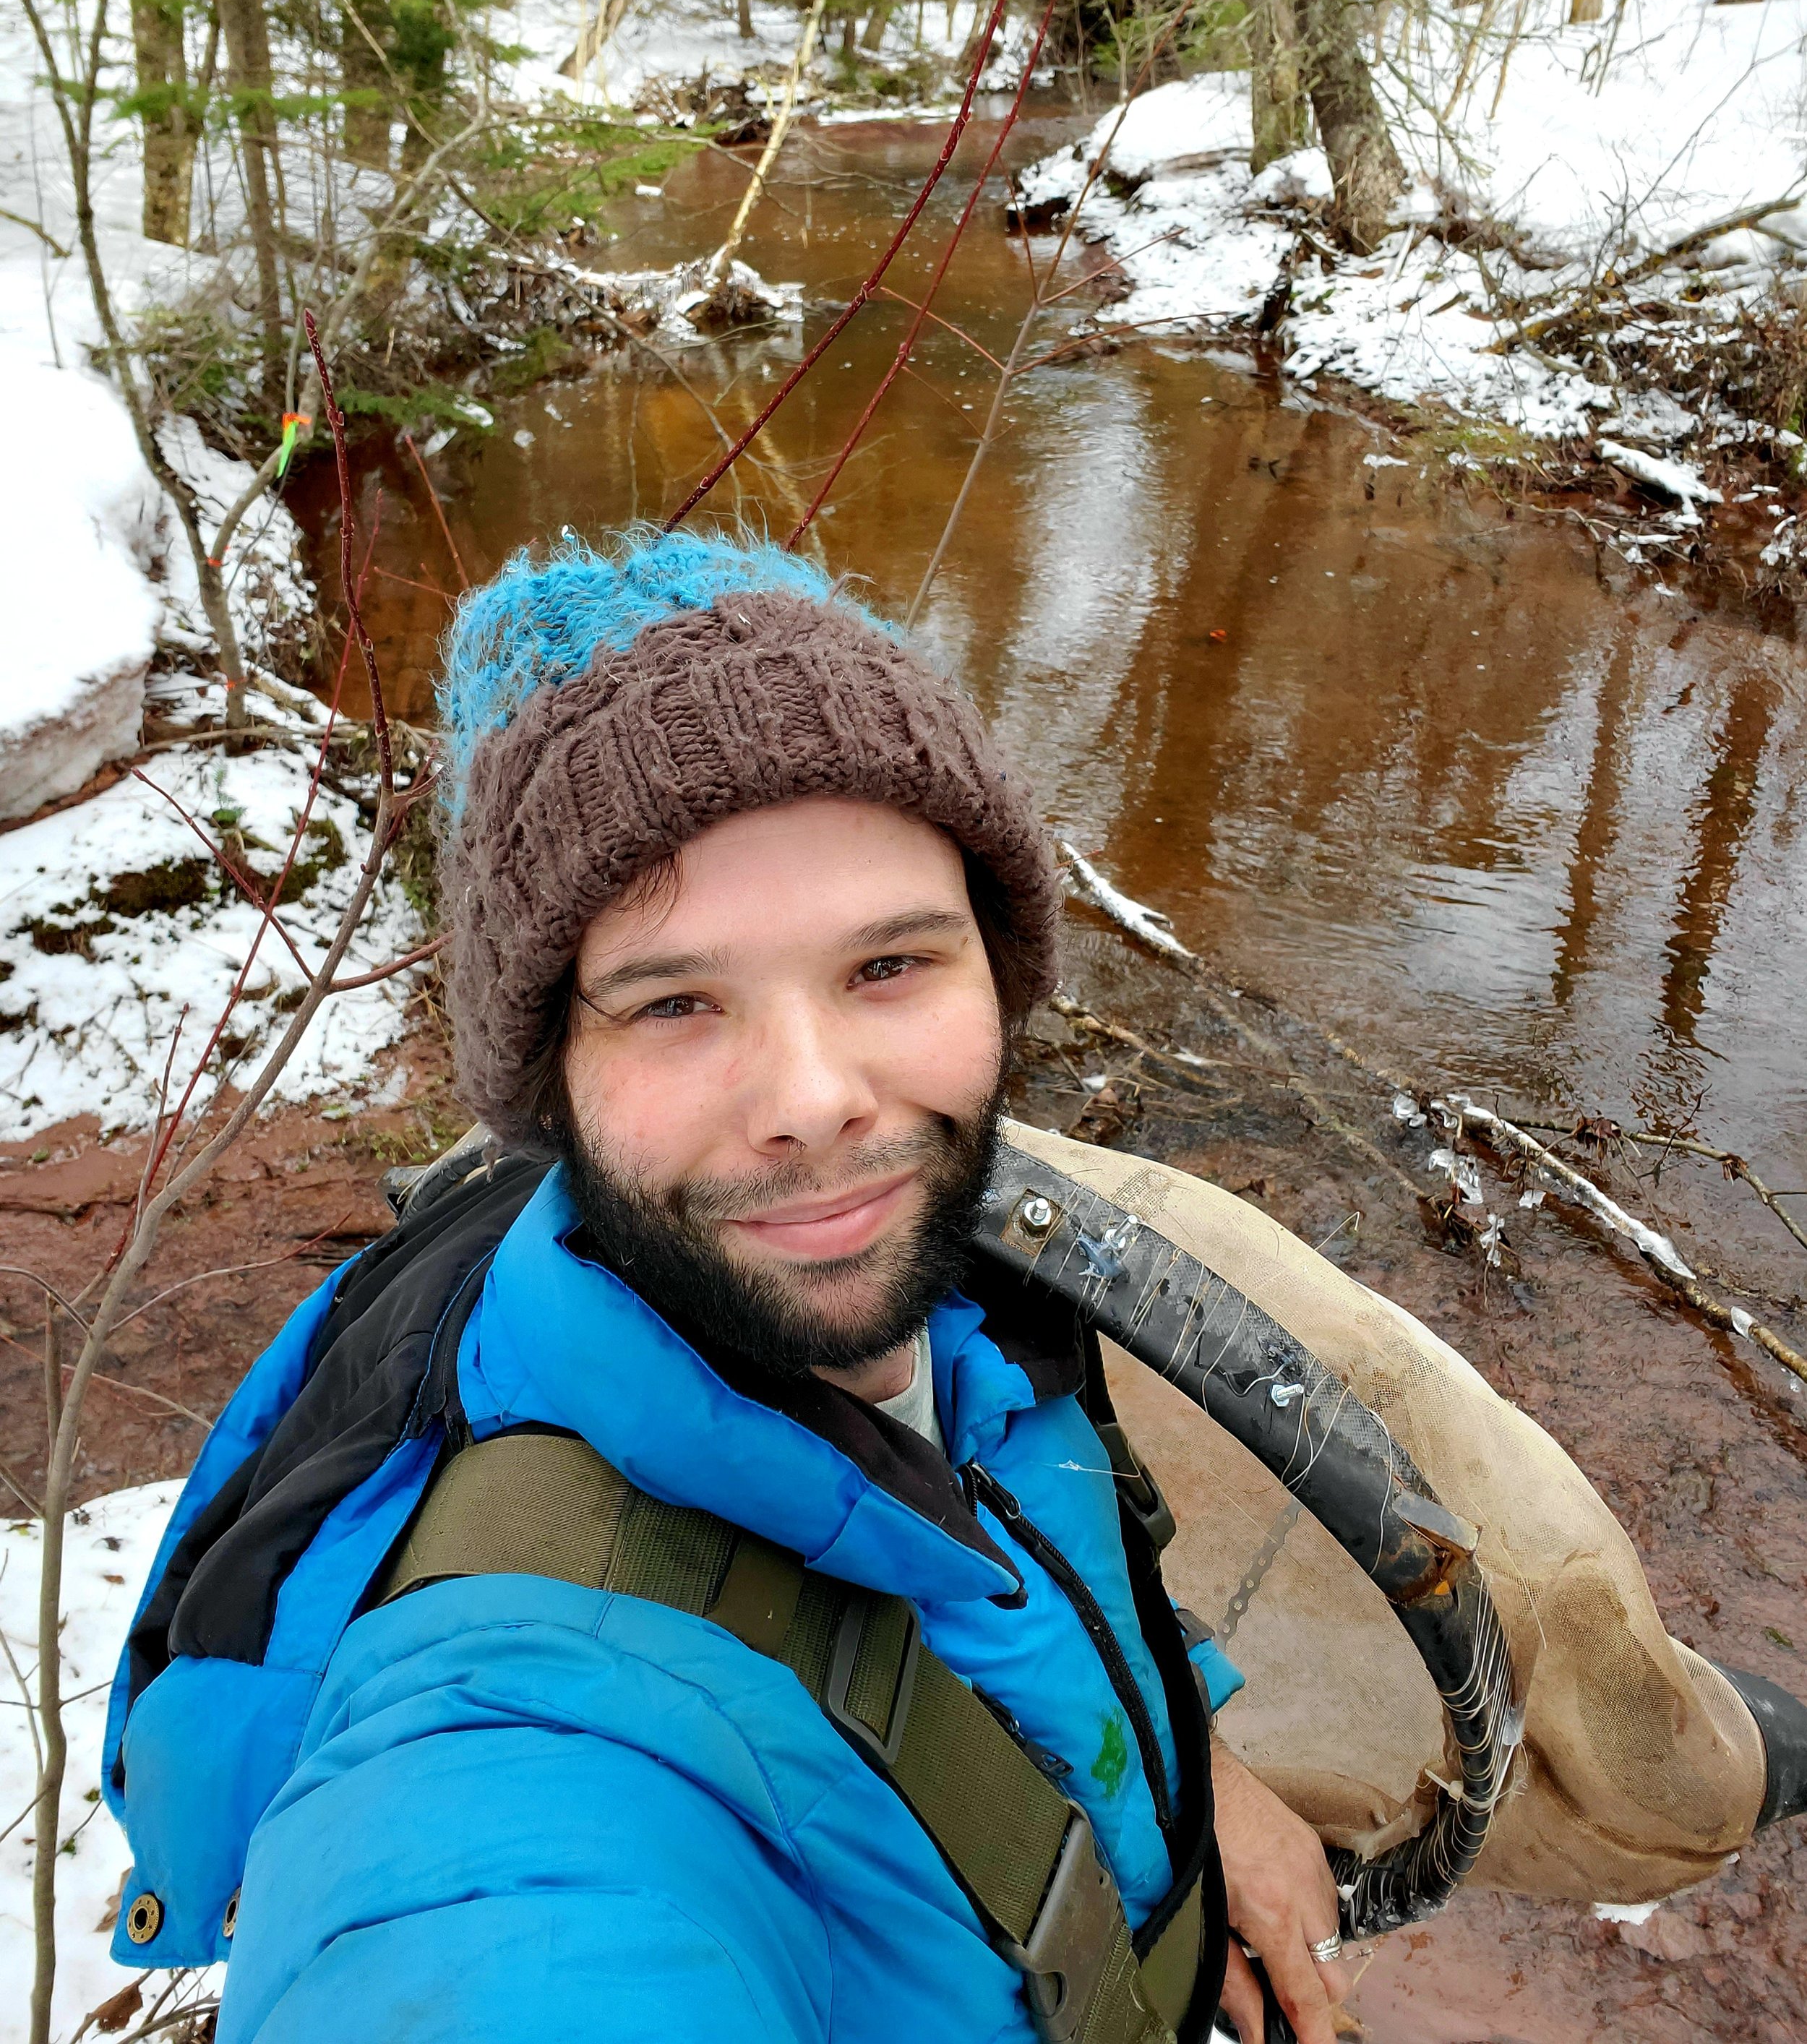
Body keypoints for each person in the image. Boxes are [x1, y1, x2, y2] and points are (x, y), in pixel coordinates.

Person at [99, 529, 1797, 2044]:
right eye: (676, 1001)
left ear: (999, 970)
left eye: (888, 963)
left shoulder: (973, 1316)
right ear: (545, 1079)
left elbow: (1035, 1587)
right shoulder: (501, 1739)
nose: (818, 1093)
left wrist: (1197, 1779)